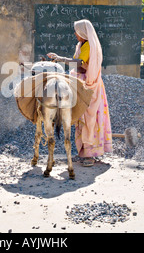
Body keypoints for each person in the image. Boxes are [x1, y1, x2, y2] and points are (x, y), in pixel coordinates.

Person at [47, 19, 112, 167]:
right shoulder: (81, 45)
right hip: (80, 83)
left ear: (83, 32)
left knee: (89, 119)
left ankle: (90, 154)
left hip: (89, 86)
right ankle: (83, 152)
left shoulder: (89, 45)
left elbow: (80, 63)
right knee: (81, 117)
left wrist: (61, 59)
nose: (75, 34)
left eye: (77, 31)